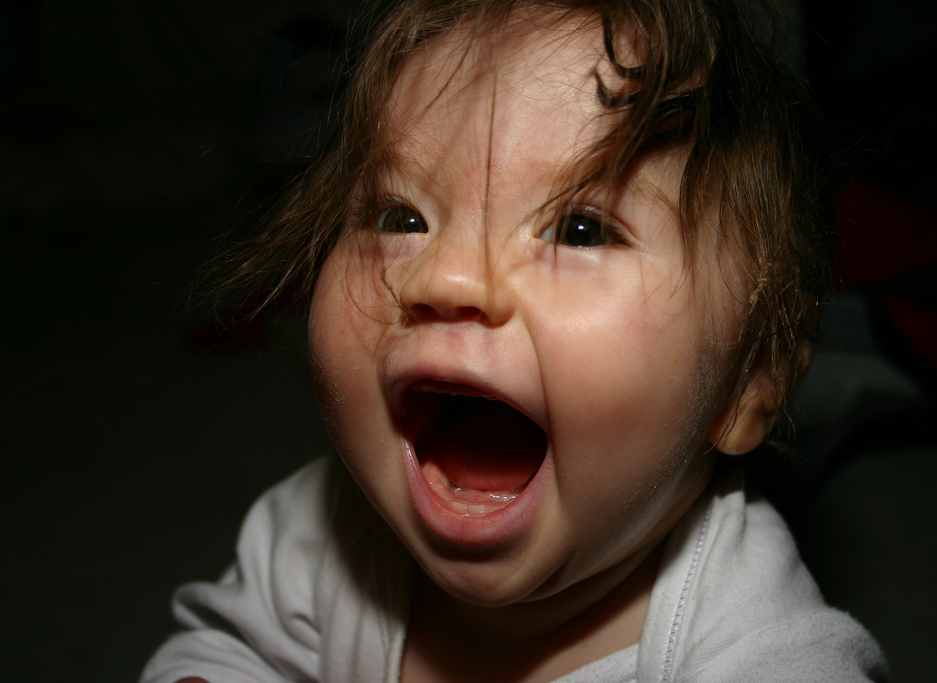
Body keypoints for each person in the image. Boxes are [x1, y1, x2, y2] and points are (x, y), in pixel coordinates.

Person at [142, 0, 887, 681]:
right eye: (402, 218)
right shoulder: (316, 529)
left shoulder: (763, 657)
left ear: (749, 384)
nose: (448, 275)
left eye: (579, 229)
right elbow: (228, 645)